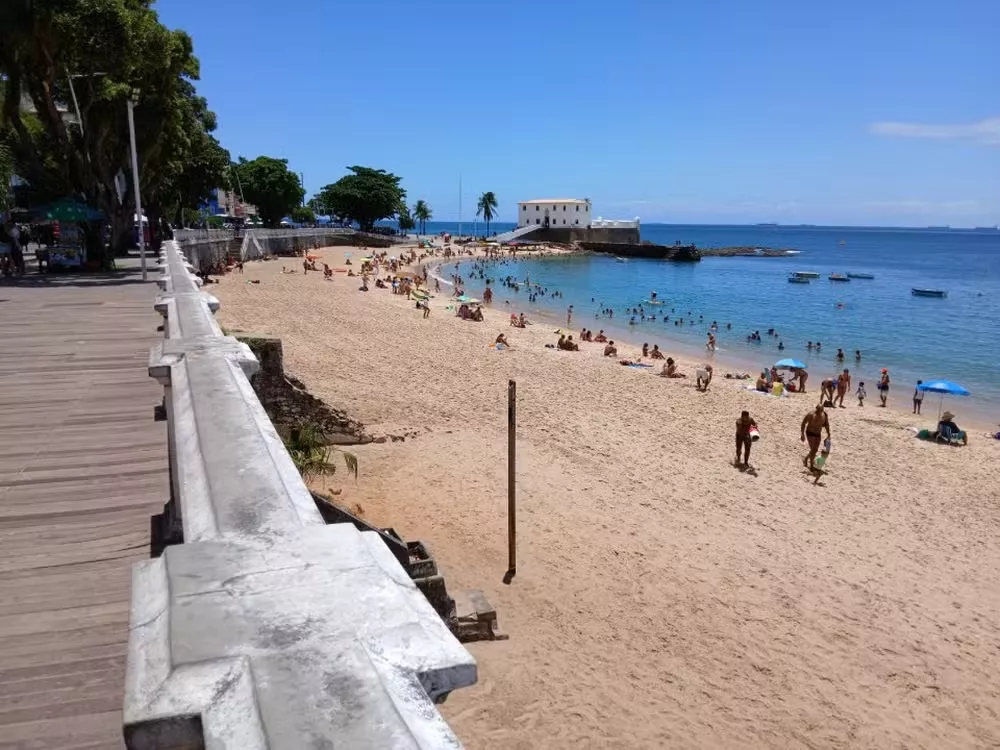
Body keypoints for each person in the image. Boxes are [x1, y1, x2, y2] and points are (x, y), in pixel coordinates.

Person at [801, 405, 831, 470]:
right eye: (818, 410)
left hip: (818, 434)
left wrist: (828, 434)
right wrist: (802, 434)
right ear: (816, 409)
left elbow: (826, 425)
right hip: (810, 433)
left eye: (821, 410)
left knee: (814, 450)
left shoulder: (824, 415)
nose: (819, 412)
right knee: (814, 449)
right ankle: (811, 466)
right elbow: (803, 423)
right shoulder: (811, 414)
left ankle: (806, 458)